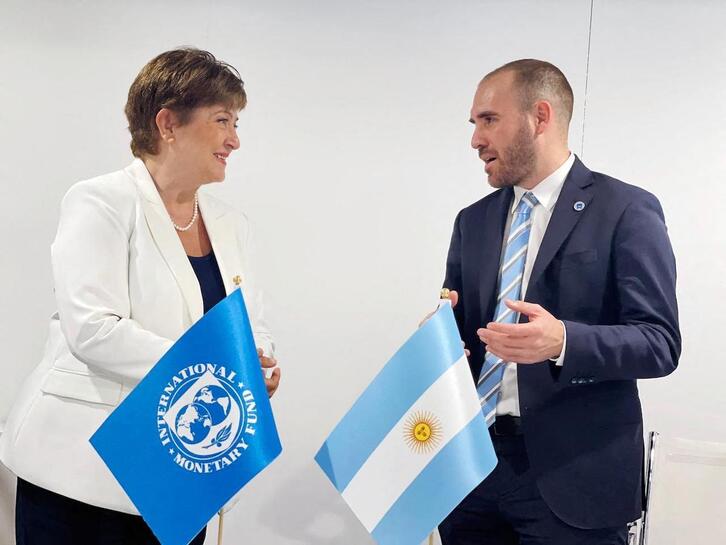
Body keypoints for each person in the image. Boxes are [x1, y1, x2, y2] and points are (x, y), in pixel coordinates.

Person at [0, 48, 281, 545]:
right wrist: (217, 369)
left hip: (181, 475)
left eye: (236, 123)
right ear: (168, 122)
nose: (235, 140)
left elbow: (249, 324)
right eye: (222, 120)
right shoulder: (99, 200)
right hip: (83, 474)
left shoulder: (234, 227)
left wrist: (258, 362)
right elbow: (94, 329)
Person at [438, 59, 680, 544]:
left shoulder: (627, 210)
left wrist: (563, 341)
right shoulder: (473, 221)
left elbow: (659, 343)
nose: (475, 139)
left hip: (575, 482)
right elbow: (462, 332)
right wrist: (440, 340)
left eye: (489, 120)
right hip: (471, 475)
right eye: (474, 124)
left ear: (539, 118)